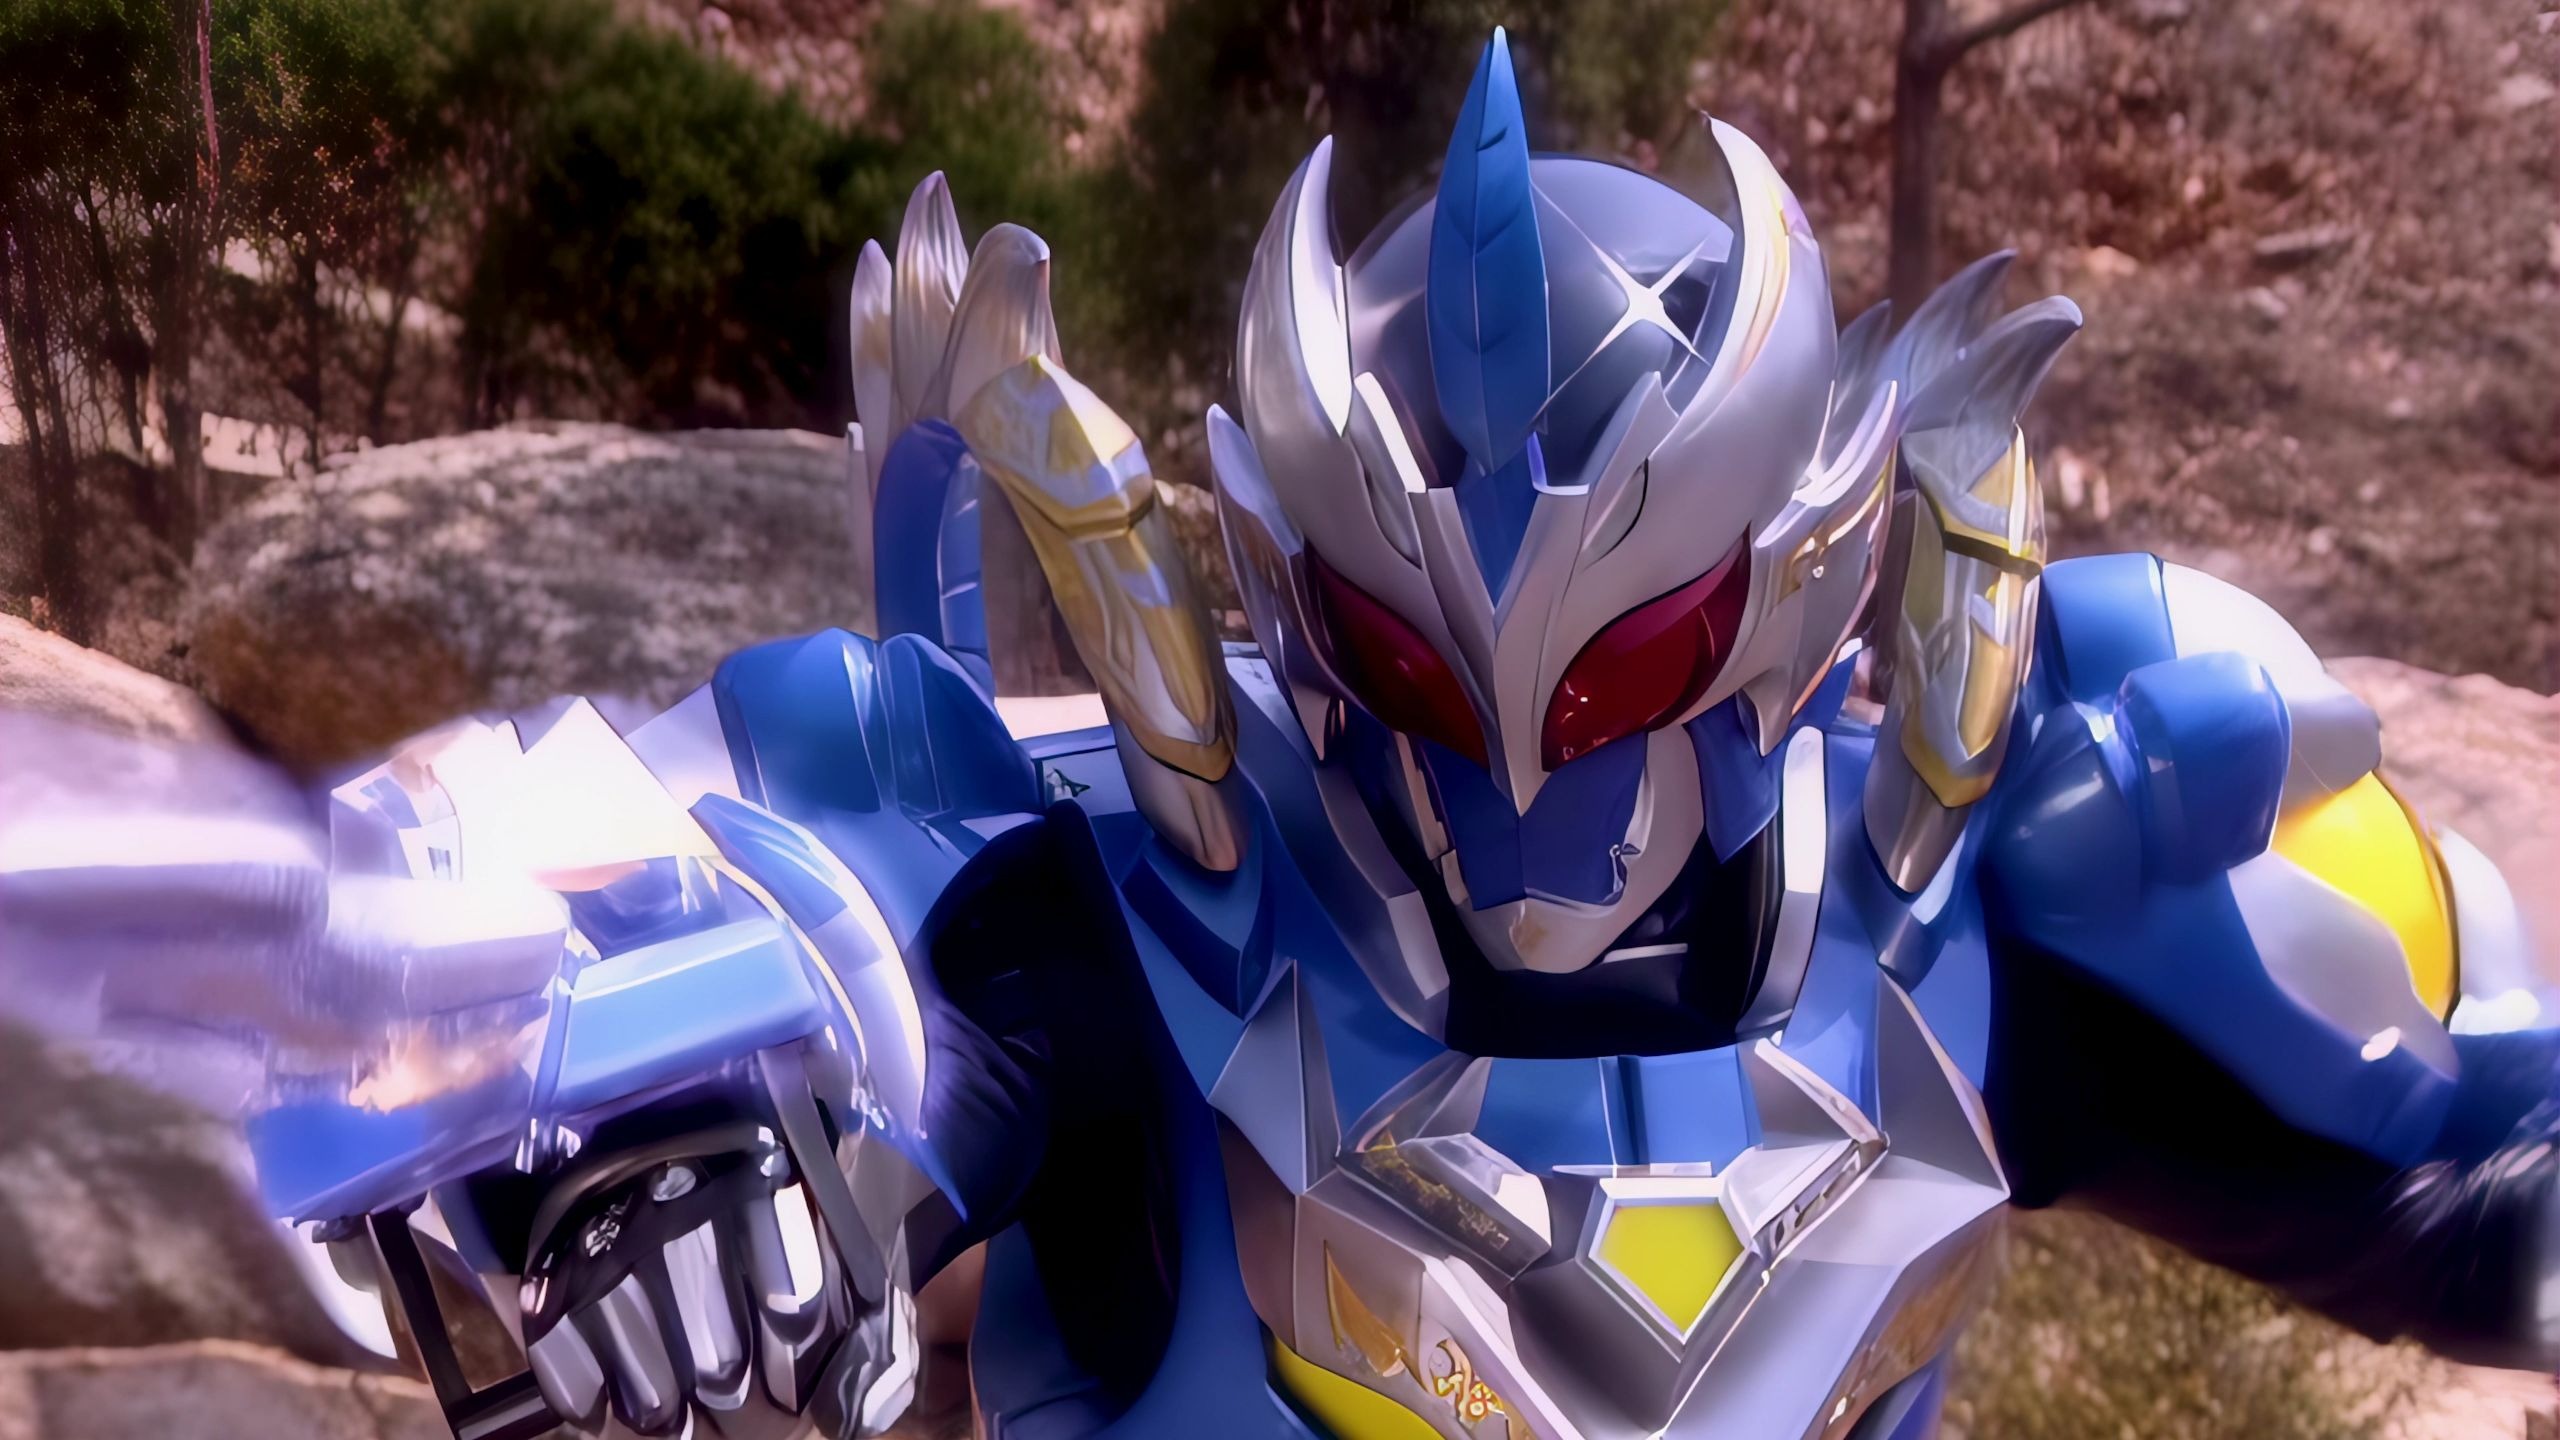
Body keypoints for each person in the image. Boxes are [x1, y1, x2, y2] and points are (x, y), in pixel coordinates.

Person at [4, 29, 2551, 1440]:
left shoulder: (1986, 896)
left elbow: (2464, 1192)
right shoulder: (1105, 930)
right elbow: (690, 899)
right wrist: (617, 1134)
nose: (1525, 788)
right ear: (1297, 606)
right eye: (1421, 676)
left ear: (1788, 587)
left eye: (1622, 670)